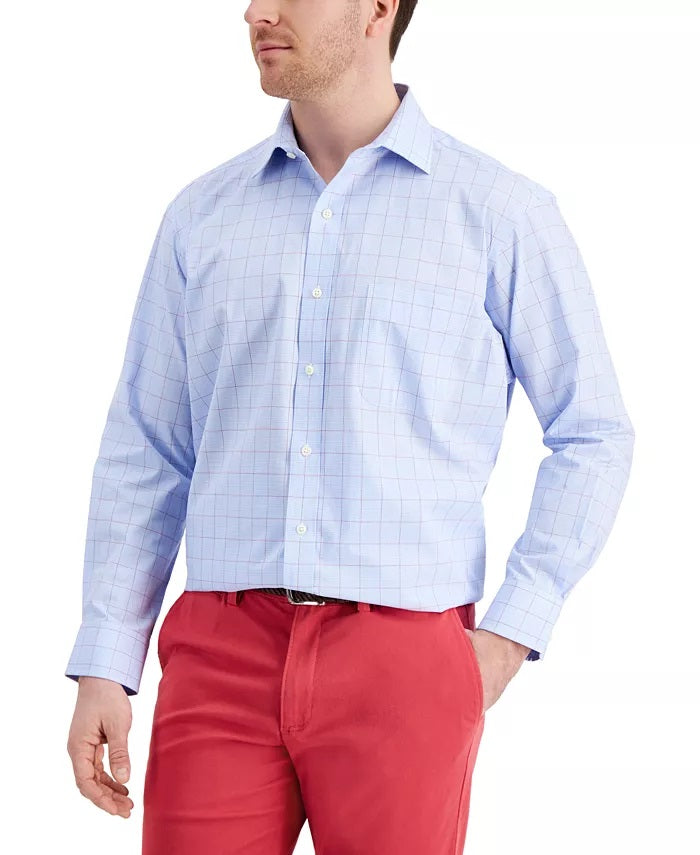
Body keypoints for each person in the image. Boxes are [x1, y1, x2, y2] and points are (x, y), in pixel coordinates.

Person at [65, 1, 635, 852]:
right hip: (220, 646)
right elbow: (147, 446)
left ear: (377, 7)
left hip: (405, 652)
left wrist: (511, 634)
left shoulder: (498, 212)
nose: (257, 11)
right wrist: (107, 658)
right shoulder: (201, 215)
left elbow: (593, 432)